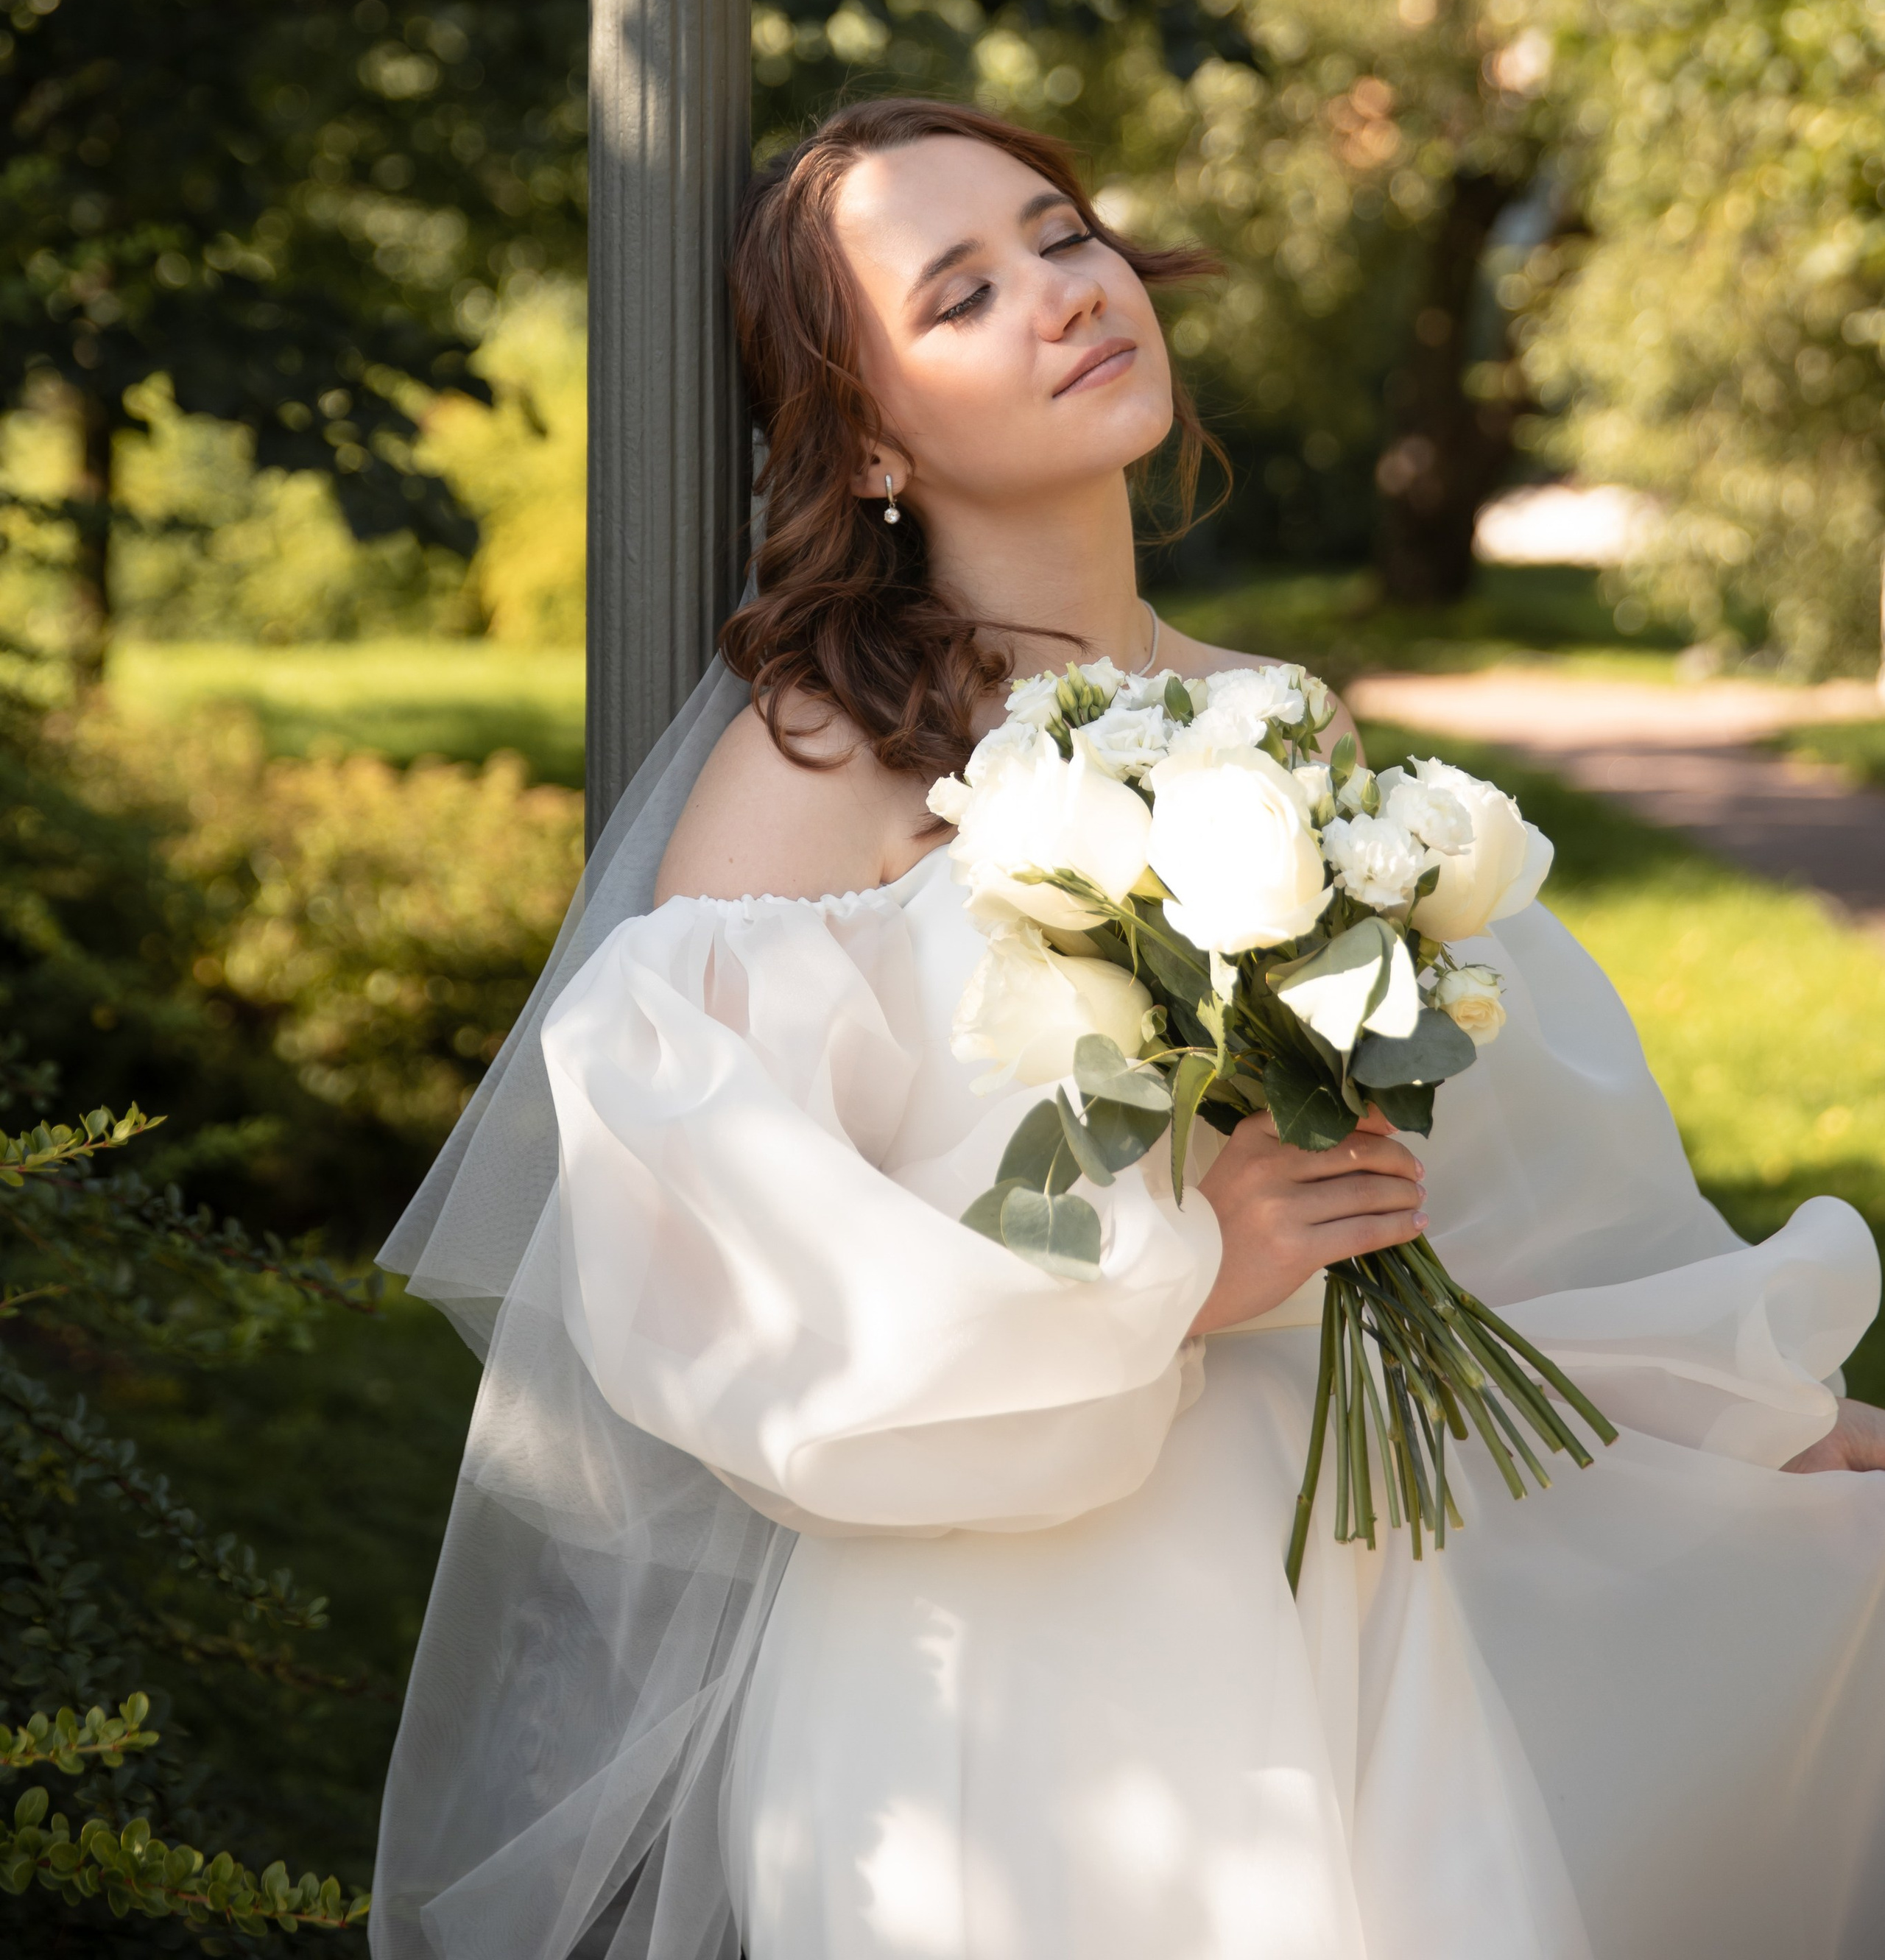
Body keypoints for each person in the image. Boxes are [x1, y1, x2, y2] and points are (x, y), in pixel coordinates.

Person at [372, 99, 1885, 1960]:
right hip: (1016, 1659)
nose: (1065, 293)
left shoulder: (1289, 729)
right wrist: (1178, 1269)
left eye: (1060, 232)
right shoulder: (826, 763)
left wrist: (1735, 1412)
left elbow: (1488, 1199)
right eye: (963, 292)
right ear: (862, 438)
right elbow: (733, 1291)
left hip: (1351, 1572)